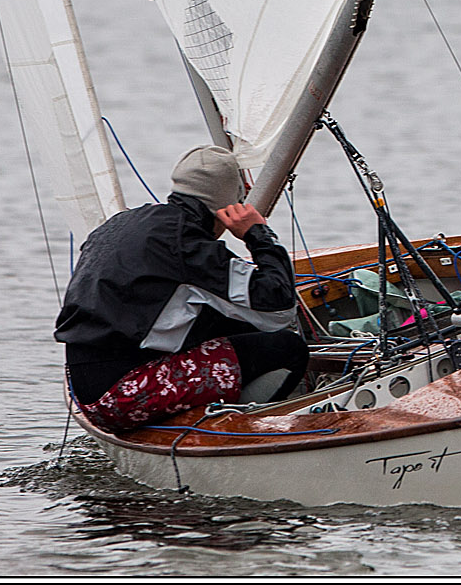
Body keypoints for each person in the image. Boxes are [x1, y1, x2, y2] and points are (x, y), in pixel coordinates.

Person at [55, 145, 309, 432]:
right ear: (226, 209)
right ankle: (241, 431)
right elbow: (279, 308)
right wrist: (258, 234)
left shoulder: (122, 224)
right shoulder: (188, 244)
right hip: (119, 400)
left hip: (86, 390)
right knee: (286, 348)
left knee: (232, 327)